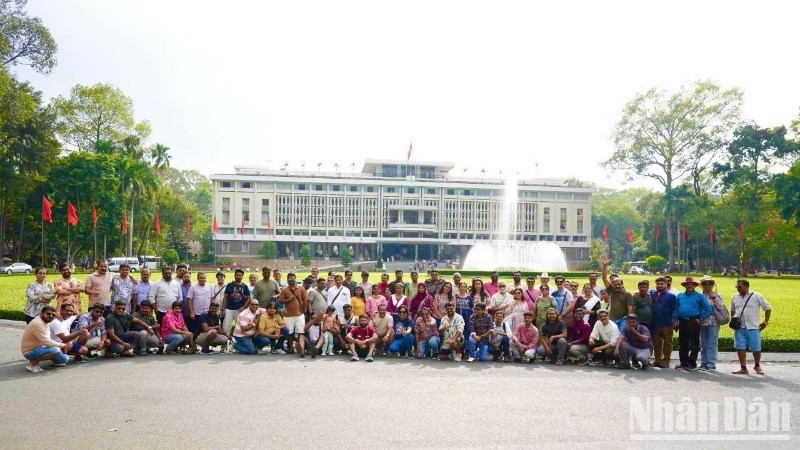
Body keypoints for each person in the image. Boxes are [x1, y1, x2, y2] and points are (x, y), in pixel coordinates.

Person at [731, 279, 772, 375]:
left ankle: (757, 365)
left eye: (739, 287)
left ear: (746, 286)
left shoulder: (757, 296)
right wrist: (733, 321)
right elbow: (733, 310)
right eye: (737, 287)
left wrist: (765, 322)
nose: (738, 288)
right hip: (740, 327)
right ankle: (743, 368)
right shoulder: (734, 297)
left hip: (753, 326)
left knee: (756, 348)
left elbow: (768, 308)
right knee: (740, 347)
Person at [674, 277, 712, 371]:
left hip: (693, 321)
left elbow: (708, 310)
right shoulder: (680, 295)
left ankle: (692, 363)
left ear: (695, 286)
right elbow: (676, 309)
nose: (689, 286)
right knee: (682, 343)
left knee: (694, 343)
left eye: (691, 284)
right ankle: (683, 363)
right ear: (685, 285)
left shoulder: (700, 296)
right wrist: (676, 320)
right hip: (682, 321)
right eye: (687, 284)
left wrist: (701, 318)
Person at [21, 306, 71, 373]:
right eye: (48, 314)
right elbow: (46, 342)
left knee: (63, 360)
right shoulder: (38, 323)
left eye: (53, 315)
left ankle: (48, 356)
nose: (51, 316)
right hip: (29, 351)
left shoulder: (46, 321)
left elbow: (47, 340)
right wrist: (62, 345)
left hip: (42, 347)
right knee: (55, 350)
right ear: (41, 313)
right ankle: (33, 363)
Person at [277, 273, 309, 357]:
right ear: (287, 280)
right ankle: (291, 348)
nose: (291, 280)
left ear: (295, 279)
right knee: (290, 333)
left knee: (300, 332)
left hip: (299, 315)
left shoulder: (301, 288)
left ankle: (301, 348)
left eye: (293, 278)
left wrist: (303, 311)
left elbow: (305, 300)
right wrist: (289, 299)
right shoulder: (284, 290)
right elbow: (280, 301)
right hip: (288, 315)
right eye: (289, 278)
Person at [699, 275, 726, 371]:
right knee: (703, 343)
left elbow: (720, 307)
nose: (707, 285)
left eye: (710, 283)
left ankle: (711, 364)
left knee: (712, 343)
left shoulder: (717, 295)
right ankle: (703, 362)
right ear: (701, 285)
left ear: (712, 285)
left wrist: (714, 297)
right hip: (702, 323)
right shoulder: (699, 296)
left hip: (713, 323)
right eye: (705, 283)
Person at [650, 277, 677, 368]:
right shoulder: (652, 294)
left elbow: (674, 310)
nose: (660, 285)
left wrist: (674, 321)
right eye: (658, 284)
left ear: (666, 285)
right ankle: (657, 360)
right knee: (657, 343)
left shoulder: (671, 296)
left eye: (662, 284)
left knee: (668, 342)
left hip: (667, 323)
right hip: (655, 323)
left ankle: (666, 360)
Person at [601, 257, 634, 327]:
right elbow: (604, 278)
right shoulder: (612, 291)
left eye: (619, 284)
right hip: (612, 320)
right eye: (615, 285)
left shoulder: (627, 294)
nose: (617, 286)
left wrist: (629, 322)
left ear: (622, 284)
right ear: (612, 285)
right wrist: (605, 266)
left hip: (623, 320)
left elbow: (630, 309)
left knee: (622, 336)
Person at [222, 269, 251, 335]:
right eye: (237, 275)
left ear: (242, 276)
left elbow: (249, 299)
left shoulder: (244, 286)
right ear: (234, 275)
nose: (238, 276)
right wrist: (223, 309)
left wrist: (243, 308)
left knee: (240, 327)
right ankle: (225, 343)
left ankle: (238, 342)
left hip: (239, 310)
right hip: (229, 309)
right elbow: (225, 298)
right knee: (226, 326)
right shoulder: (230, 285)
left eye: (240, 275)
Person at [186, 272, 214, 337]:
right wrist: (191, 312)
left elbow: (212, 299)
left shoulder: (209, 286)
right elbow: (189, 300)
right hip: (196, 313)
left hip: (207, 313)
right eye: (201, 278)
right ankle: (194, 345)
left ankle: (205, 346)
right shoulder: (193, 287)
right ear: (197, 278)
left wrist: (211, 311)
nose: (203, 279)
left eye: (204, 278)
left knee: (206, 331)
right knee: (195, 331)